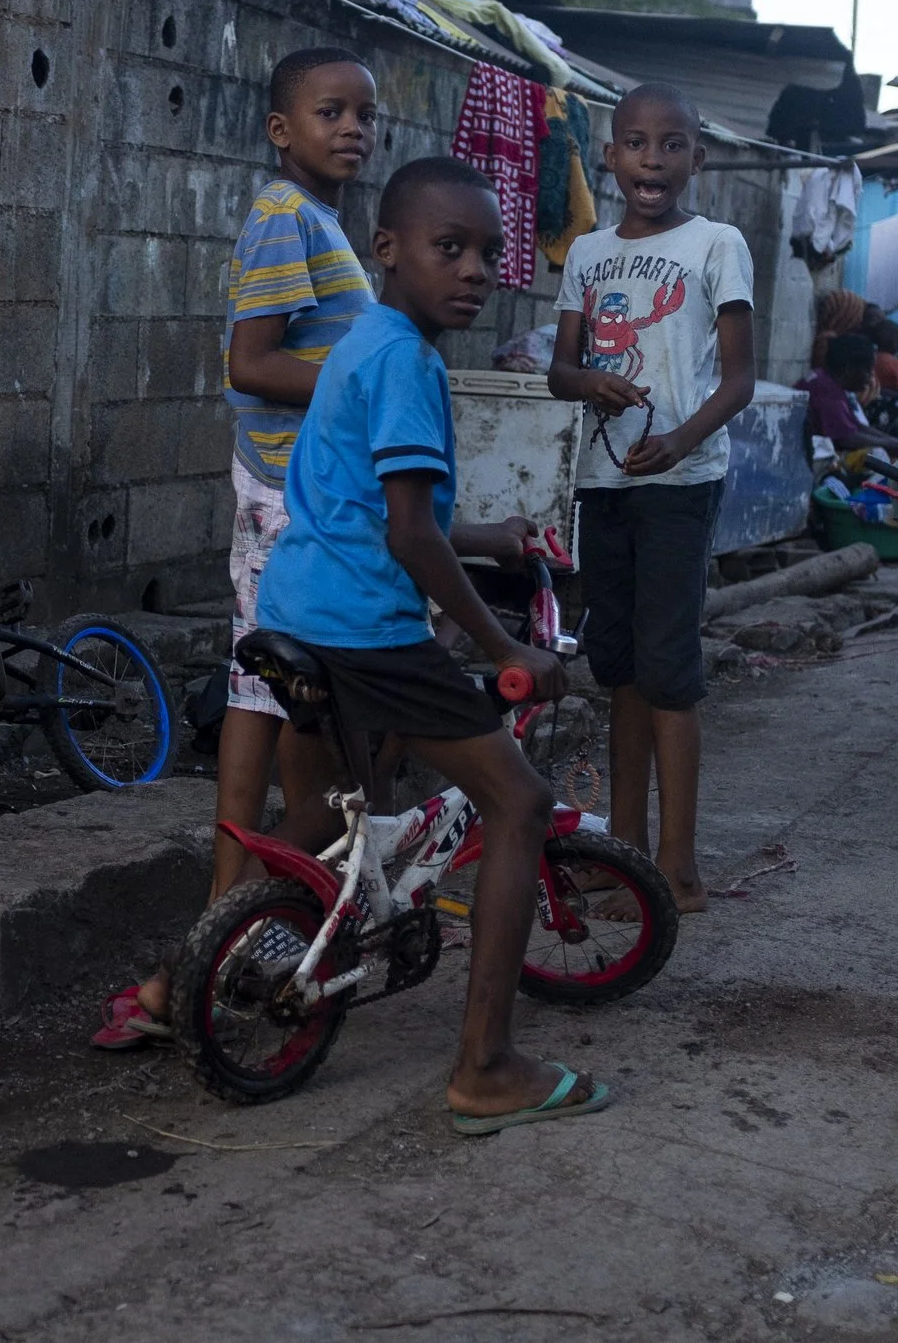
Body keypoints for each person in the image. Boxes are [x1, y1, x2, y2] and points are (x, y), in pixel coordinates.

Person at [259, 154, 606, 1134]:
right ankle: (485, 1065)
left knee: (328, 809)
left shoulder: (363, 344)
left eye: (488, 252)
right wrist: (508, 647)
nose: (474, 270)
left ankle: (184, 976)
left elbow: (379, 508)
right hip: (364, 629)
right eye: (447, 247)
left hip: (294, 608)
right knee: (521, 799)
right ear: (386, 249)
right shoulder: (410, 363)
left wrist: (490, 536)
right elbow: (410, 535)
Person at [92, 47, 377, 1048]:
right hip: (290, 491)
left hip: (294, 485)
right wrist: (368, 378)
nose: (353, 128)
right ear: (280, 128)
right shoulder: (284, 216)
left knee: (258, 685)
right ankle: (248, 913)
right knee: (292, 692)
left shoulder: (316, 221)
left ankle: (234, 906)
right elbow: (250, 363)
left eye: (364, 115)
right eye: (330, 111)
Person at [546, 84, 754, 915]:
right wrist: (588, 381)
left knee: (668, 670)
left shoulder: (718, 244)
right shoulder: (588, 253)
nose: (653, 159)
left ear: (696, 158)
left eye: (672, 145)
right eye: (636, 143)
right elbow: (561, 370)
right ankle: (624, 851)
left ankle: (679, 868)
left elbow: (738, 380)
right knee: (620, 667)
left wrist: (679, 440)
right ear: (610, 157)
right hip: (605, 482)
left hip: (678, 484)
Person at [801, 332, 898, 463]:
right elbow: (846, 438)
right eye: (868, 370)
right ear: (849, 369)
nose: (870, 378)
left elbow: (856, 426)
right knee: (877, 456)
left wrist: (896, 442)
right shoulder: (826, 390)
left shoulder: (831, 383)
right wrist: (893, 444)